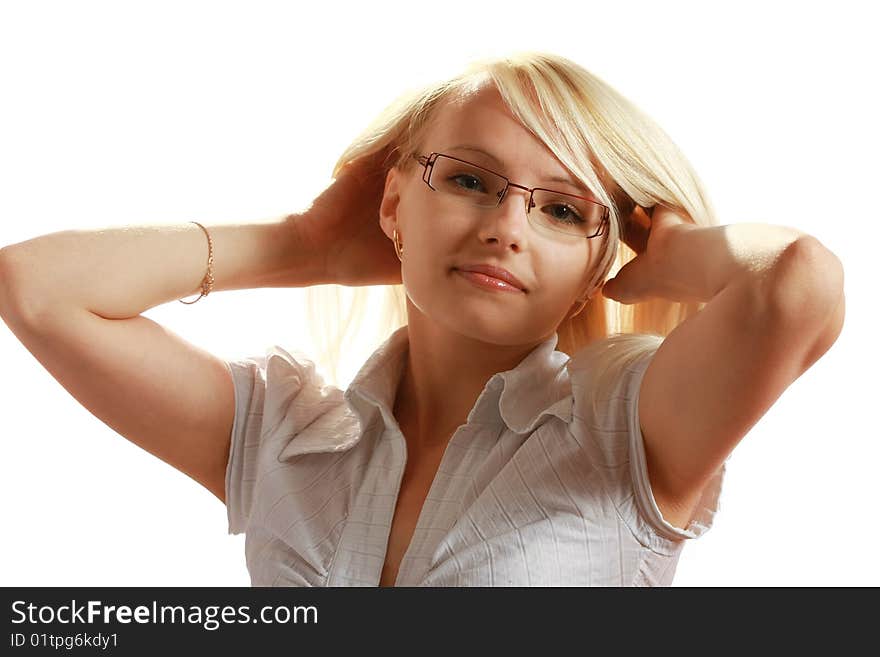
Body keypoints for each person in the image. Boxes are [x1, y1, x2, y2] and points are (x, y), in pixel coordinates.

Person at [0, 51, 845, 587]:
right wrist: (304, 244)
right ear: (397, 201)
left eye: (560, 211)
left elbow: (801, 284)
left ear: (598, 261)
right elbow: (34, 286)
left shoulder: (627, 429)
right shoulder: (283, 436)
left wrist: (679, 251)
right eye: (471, 180)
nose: (505, 227)